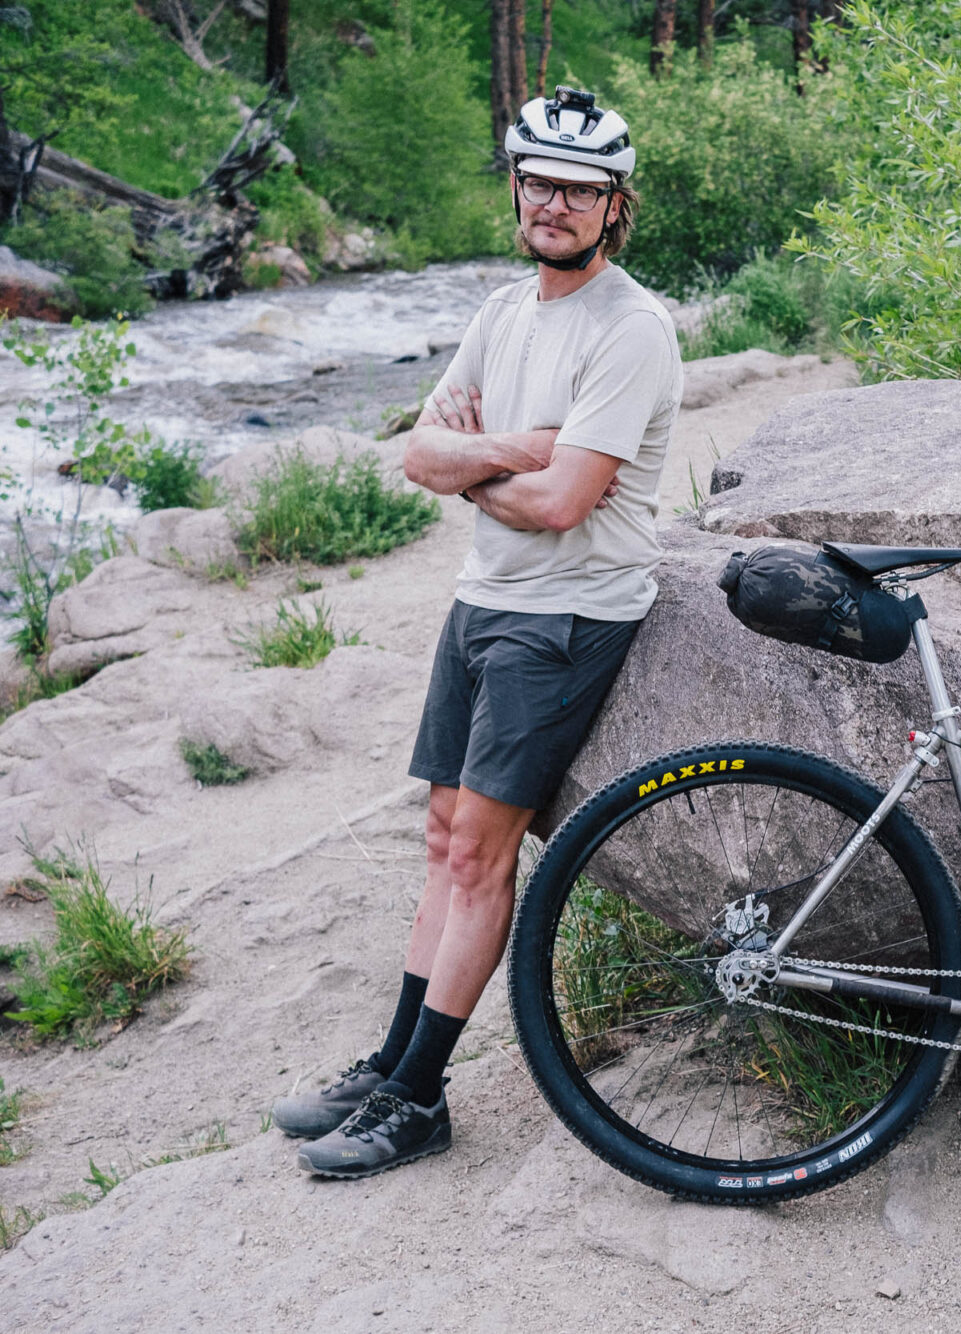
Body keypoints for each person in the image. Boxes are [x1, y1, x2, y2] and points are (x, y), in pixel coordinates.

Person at [272, 87, 682, 1178]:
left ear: (613, 205)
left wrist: (485, 461)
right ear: (517, 185)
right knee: (443, 834)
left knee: (480, 850)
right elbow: (418, 455)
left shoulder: (632, 328)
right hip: (485, 599)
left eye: (577, 189)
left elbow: (563, 507)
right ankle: (393, 1056)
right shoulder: (504, 310)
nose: (552, 202)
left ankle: (417, 1096)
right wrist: (524, 447)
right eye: (537, 180)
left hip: (565, 617)